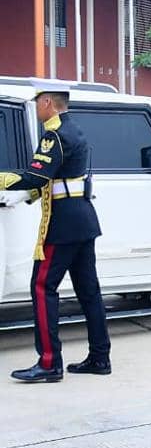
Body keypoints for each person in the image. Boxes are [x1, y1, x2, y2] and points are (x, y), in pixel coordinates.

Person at [1, 84, 110, 382]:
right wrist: (26, 196)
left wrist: (2, 180)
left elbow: (37, 176)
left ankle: (49, 363)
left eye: (37, 102)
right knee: (89, 292)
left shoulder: (54, 135)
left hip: (62, 225)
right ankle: (100, 357)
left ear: (48, 102)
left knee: (42, 287)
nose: (36, 108)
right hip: (83, 220)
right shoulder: (75, 130)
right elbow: (57, 180)